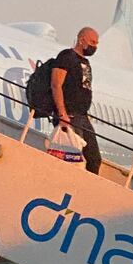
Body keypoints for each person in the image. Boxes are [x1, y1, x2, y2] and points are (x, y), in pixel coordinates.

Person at [51, 26, 101, 174]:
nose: (95, 46)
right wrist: (62, 114)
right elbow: (56, 84)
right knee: (74, 157)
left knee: (94, 159)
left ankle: (89, 190)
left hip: (82, 116)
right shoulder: (67, 57)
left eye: (96, 43)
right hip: (70, 115)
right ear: (81, 40)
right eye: (92, 42)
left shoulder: (85, 62)